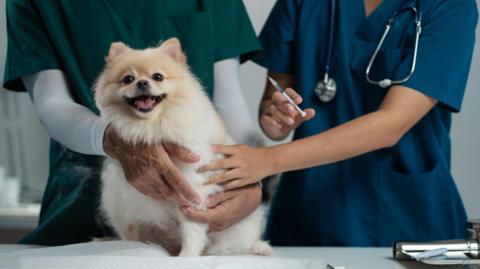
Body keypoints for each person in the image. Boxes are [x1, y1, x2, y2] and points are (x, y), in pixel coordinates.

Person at [184, 0, 479, 246]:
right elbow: (275, 98)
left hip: (403, 216)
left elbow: (392, 124)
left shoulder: (449, 6)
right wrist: (276, 117)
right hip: (309, 213)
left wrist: (267, 159)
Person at [3, 0, 262, 245]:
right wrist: (111, 139)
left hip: (202, 212)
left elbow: (228, 104)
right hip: (80, 215)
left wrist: (249, 180)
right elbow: (51, 102)